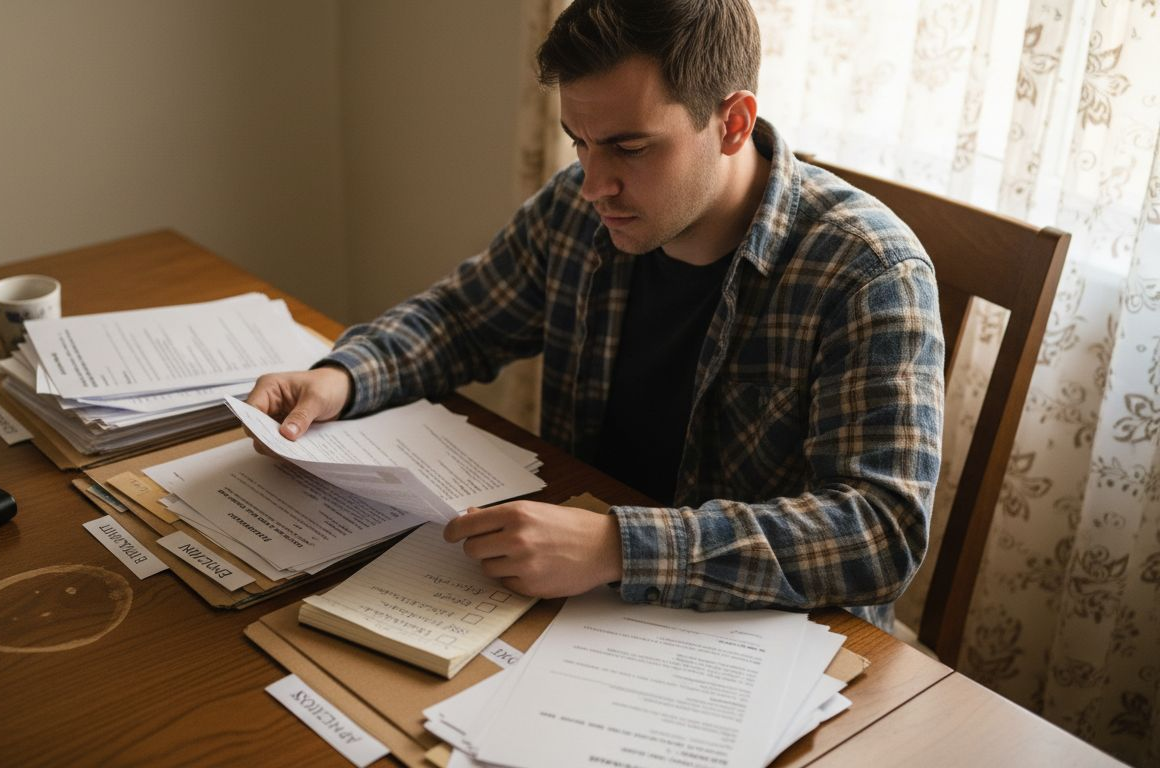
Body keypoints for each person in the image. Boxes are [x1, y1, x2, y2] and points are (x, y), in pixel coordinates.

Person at [246, 0, 943, 630]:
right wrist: (343, 375)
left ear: (732, 123)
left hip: (762, 648)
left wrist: (618, 546)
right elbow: (462, 318)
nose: (594, 182)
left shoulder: (868, 271)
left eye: (629, 148)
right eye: (579, 140)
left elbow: (880, 532)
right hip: (576, 606)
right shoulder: (576, 213)